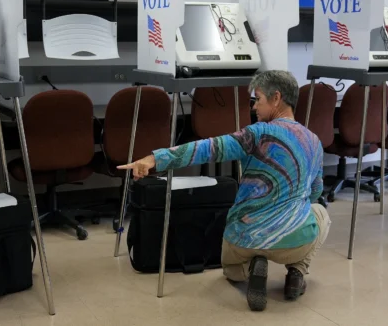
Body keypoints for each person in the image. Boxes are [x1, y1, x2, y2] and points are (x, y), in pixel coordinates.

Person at [119, 70, 331, 312]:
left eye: (258, 99)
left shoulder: (257, 133)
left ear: (276, 98)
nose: (254, 108)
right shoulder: (314, 141)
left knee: (232, 271)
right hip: (292, 241)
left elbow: (208, 148)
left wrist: (154, 159)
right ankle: (297, 271)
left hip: (244, 238)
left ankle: (252, 266)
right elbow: (315, 191)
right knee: (320, 213)